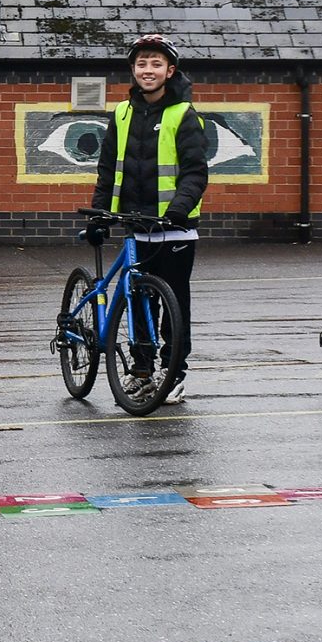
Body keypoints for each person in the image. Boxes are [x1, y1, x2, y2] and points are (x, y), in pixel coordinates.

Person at [90, 33, 208, 403]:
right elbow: (108, 169)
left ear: (170, 71)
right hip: (136, 226)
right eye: (142, 63)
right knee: (139, 302)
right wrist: (99, 212)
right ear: (133, 70)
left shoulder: (183, 114)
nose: (148, 70)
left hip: (174, 230)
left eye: (156, 63)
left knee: (173, 308)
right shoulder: (121, 114)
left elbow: (195, 173)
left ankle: (174, 374)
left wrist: (177, 208)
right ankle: (141, 371)